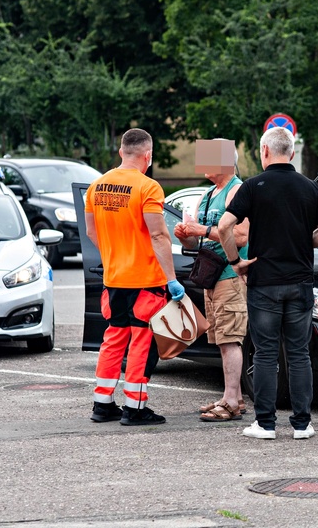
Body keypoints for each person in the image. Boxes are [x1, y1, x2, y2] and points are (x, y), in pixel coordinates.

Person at [218, 126, 318, 440]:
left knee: (266, 354)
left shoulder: (254, 186)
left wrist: (235, 261)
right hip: (299, 283)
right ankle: (302, 425)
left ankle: (266, 424)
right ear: (293, 153)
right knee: (298, 354)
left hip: (264, 283)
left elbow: (224, 226)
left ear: (264, 152)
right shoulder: (309, 187)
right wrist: (300, 241)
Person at [85, 128, 185, 426]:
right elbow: (157, 234)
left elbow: (92, 232)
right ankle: (135, 408)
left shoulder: (97, 186)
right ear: (148, 155)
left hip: (114, 279)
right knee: (142, 342)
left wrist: (115, 256)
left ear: (121, 152)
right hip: (145, 280)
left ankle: (102, 404)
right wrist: (171, 278)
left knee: (113, 339)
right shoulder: (148, 187)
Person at [174, 155, 249, 422]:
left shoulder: (237, 190)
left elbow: (241, 237)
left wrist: (202, 230)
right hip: (211, 277)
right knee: (220, 339)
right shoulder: (207, 194)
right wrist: (187, 236)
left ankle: (230, 402)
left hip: (230, 275)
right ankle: (234, 398)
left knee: (230, 339)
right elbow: (199, 243)